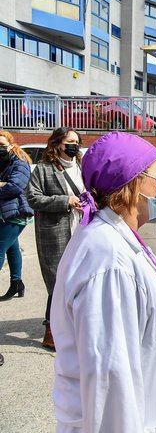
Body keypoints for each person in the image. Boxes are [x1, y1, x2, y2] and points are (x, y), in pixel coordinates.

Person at [50, 131, 156, 432]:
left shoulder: (121, 238)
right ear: (135, 183)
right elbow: (111, 382)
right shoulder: (107, 261)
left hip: (155, 413)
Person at [27, 127, 85, 351]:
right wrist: (64, 201)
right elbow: (33, 197)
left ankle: (71, 328)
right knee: (58, 281)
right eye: (70, 141)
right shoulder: (44, 169)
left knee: (76, 280)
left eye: (77, 141)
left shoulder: (81, 167)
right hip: (55, 232)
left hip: (80, 229)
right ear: (57, 143)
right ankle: (51, 330)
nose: (74, 145)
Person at [0, 131, 33, 302]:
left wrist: (4, 184)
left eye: (2, 146)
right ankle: (16, 283)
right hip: (4, 214)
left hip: (15, 214)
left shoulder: (20, 164)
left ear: (12, 146)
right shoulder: (3, 163)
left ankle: (16, 283)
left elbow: (14, 187)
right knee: (12, 249)